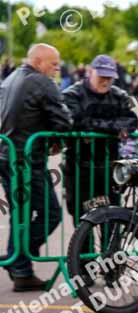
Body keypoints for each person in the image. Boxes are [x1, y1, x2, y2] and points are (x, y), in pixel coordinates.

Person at [0, 43, 72, 291]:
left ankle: (21, 270)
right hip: (26, 161)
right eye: (53, 64)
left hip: (8, 157)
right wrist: (57, 139)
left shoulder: (10, 79)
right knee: (51, 213)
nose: (57, 68)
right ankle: (19, 260)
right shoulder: (42, 82)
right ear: (38, 61)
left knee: (20, 215)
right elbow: (64, 121)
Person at [61, 55, 138, 226]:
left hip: (109, 167)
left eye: (109, 77)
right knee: (83, 221)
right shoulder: (72, 94)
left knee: (112, 222)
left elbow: (132, 121)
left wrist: (96, 126)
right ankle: (81, 254)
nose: (105, 81)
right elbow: (77, 121)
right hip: (80, 167)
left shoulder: (119, 95)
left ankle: (110, 253)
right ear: (90, 72)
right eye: (102, 76)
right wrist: (114, 127)